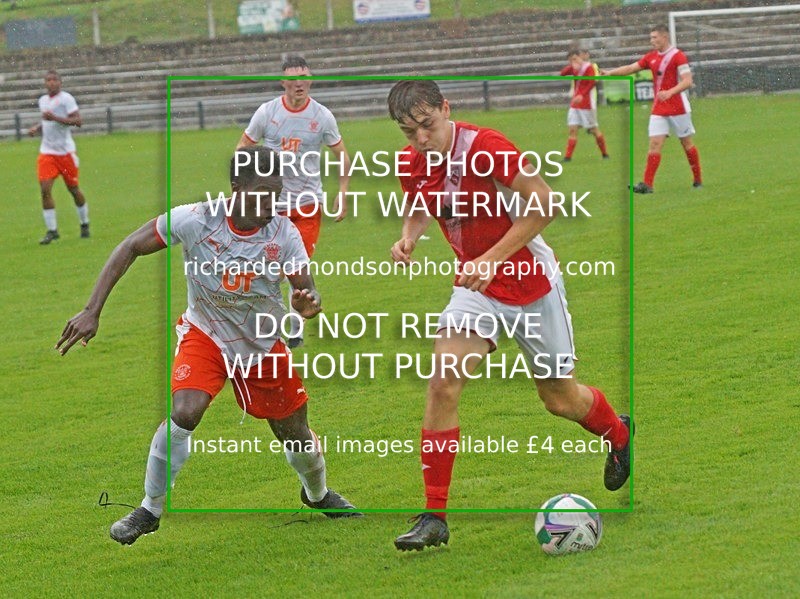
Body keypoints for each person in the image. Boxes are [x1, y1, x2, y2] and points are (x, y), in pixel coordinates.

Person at [56, 147, 360, 546]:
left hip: (262, 343)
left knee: (295, 432)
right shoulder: (198, 219)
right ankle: (149, 509)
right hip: (207, 335)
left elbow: (306, 291)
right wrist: (91, 310)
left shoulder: (284, 233)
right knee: (186, 411)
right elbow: (130, 245)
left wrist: (306, 304)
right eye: (265, 193)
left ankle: (317, 494)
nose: (274, 202)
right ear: (237, 189)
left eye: (278, 192)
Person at [386, 80, 632, 551]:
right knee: (443, 382)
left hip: (531, 283)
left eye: (426, 125)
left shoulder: (486, 147)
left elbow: (545, 203)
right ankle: (434, 515)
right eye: (407, 131)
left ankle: (619, 433)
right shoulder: (411, 161)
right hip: (475, 288)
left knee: (560, 399)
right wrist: (409, 237)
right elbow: (419, 204)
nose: (419, 139)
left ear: (446, 109)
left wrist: (492, 258)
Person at [236, 55, 352, 348]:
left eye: (304, 77)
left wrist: (343, 193)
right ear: (283, 81)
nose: (299, 83)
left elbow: (343, 156)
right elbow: (243, 148)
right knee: (265, 266)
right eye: (293, 78)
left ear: (310, 80)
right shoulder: (267, 113)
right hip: (272, 206)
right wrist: (244, 187)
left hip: (308, 205)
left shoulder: (322, 116)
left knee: (296, 268)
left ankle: (294, 328)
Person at [602, 25, 702, 193]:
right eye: (651, 38)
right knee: (655, 144)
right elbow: (631, 68)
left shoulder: (678, 56)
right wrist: (610, 73)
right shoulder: (651, 57)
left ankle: (697, 179)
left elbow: (687, 81)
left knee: (686, 143)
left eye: (655, 37)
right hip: (659, 108)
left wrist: (670, 92)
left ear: (664, 37)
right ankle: (647, 185)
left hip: (678, 106)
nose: (652, 41)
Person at [28, 70, 91, 244]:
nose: (51, 82)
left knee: (73, 189)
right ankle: (52, 230)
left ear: (60, 82)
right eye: (48, 80)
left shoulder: (66, 99)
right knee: (45, 189)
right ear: (44, 82)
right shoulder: (43, 100)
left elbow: (78, 121)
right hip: (47, 152)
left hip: (65, 153)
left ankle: (84, 223)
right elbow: (47, 122)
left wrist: (54, 117)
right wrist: (37, 128)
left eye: (54, 79)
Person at [559, 49, 609, 161]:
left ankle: (605, 154)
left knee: (594, 130)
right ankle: (567, 157)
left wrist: (582, 95)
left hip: (587, 104)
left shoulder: (588, 67)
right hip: (575, 104)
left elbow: (592, 82)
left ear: (580, 57)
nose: (574, 61)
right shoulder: (574, 68)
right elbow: (562, 74)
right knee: (572, 129)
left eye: (575, 59)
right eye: (571, 60)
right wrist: (571, 66)